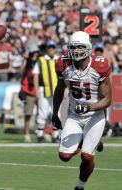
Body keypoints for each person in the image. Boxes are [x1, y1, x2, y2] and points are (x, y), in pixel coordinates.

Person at [52, 31, 111, 190]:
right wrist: (55, 113)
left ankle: (80, 186)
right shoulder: (63, 64)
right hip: (74, 115)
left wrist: (89, 107)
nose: (77, 51)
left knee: (86, 156)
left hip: (95, 115)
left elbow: (107, 99)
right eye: (74, 47)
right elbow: (59, 90)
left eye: (80, 47)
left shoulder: (99, 65)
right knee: (64, 156)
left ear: (89, 48)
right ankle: (86, 140)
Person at [35, 40, 60, 143]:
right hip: (44, 90)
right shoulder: (41, 60)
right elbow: (35, 75)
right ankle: (40, 135)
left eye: (53, 47)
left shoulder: (59, 59)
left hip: (57, 91)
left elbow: (64, 75)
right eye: (49, 47)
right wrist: (36, 89)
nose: (51, 49)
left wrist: (66, 88)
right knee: (42, 113)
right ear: (47, 49)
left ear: (55, 48)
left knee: (56, 113)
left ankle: (55, 135)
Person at [19, 46, 40, 142]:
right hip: (29, 91)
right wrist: (25, 59)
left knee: (44, 114)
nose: (35, 55)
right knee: (28, 113)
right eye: (33, 53)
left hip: (39, 91)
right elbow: (21, 71)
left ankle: (44, 132)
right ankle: (26, 133)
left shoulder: (40, 63)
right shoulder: (27, 64)